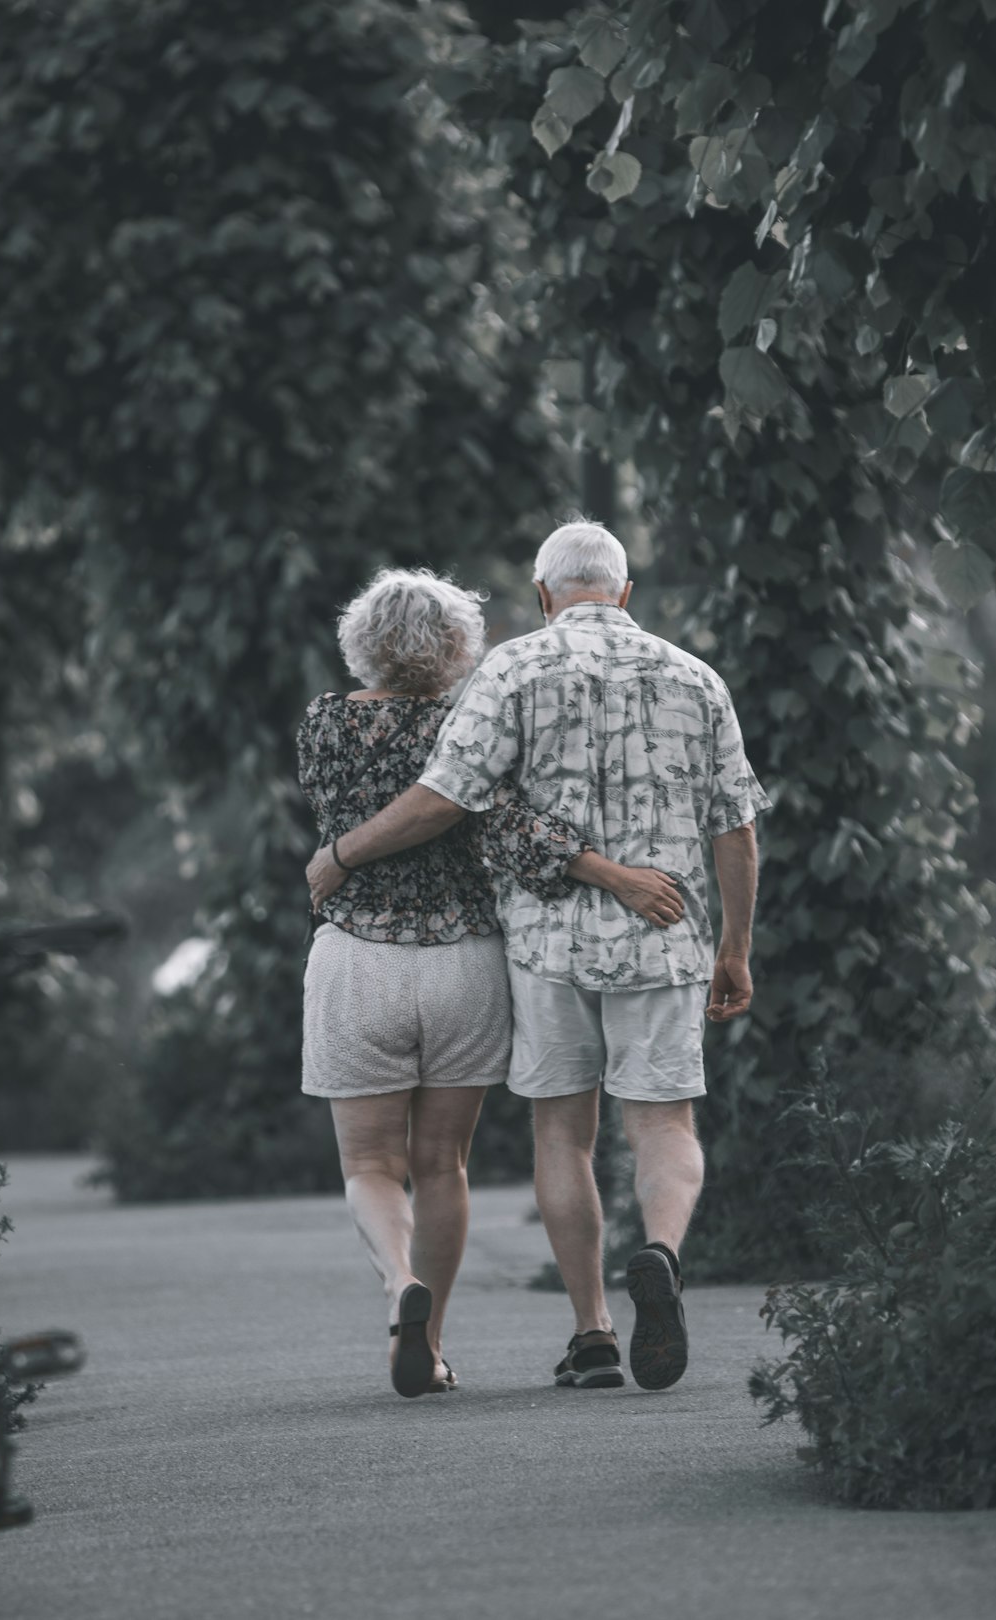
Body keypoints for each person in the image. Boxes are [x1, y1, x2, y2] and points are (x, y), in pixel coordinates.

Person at [308, 522, 770, 1393]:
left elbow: (445, 798)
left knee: (563, 1134)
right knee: (664, 1129)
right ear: (624, 593)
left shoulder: (511, 670)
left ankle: (592, 1331)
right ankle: (662, 1252)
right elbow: (736, 825)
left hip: (546, 944)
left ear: (544, 591)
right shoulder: (696, 677)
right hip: (666, 938)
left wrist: (337, 856)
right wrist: (734, 948)